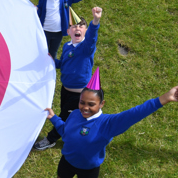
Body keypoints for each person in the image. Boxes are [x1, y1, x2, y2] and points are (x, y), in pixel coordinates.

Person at [45, 69, 178, 178]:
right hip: (66, 162)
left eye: (91, 104)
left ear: (101, 104)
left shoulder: (107, 124)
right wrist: (54, 118)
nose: (85, 108)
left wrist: (165, 98)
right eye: (82, 102)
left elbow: (135, 113)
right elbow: (66, 132)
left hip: (88, 170)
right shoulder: (74, 114)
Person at [34, 6, 103, 150]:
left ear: (85, 31)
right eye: (73, 26)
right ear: (68, 32)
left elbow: (92, 39)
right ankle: (81, 134)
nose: (77, 28)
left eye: (81, 26)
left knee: (64, 116)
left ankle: (51, 139)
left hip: (79, 93)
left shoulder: (86, 48)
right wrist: (51, 60)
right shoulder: (67, 46)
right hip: (65, 90)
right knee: (71, 115)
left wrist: (95, 21)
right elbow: (64, 64)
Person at [37, 0, 110, 59]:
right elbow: (38, 14)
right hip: (44, 31)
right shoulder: (43, 0)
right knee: (42, 53)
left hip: (58, 33)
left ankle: (50, 71)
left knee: (53, 54)